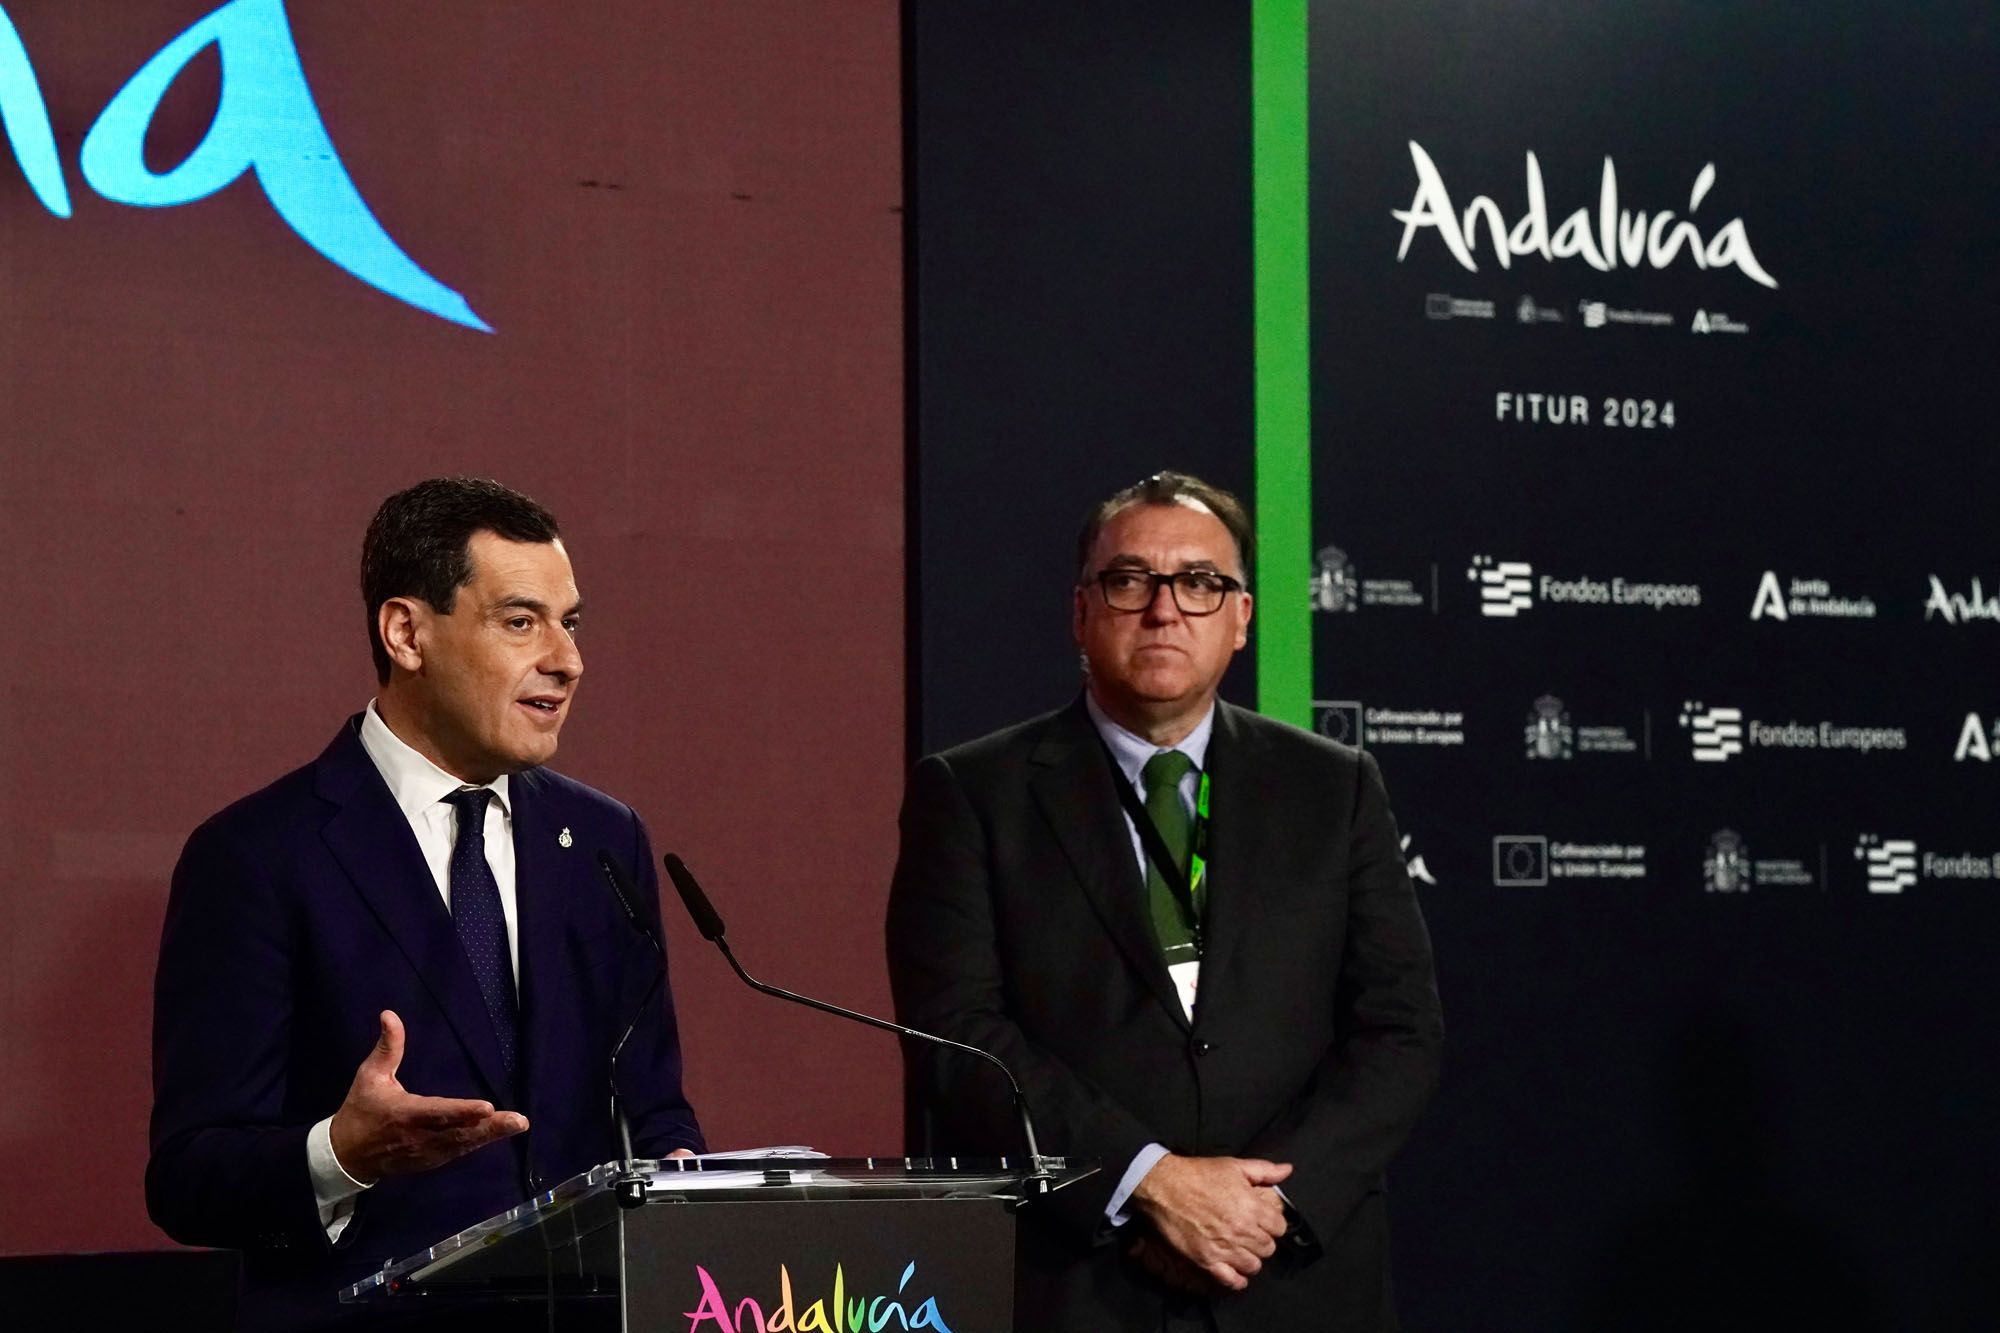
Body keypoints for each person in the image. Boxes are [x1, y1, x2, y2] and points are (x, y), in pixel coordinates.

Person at [886, 471, 1443, 1331]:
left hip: (1290, 1278)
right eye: (1129, 580)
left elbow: (1400, 1029)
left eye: (1199, 582)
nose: (1164, 608)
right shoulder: (971, 792)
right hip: (1079, 1281)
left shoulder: (1335, 788)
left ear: (1242, 618)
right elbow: (956, 1032)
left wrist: (1263, 1212)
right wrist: (1144, 1179)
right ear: (1080, 613)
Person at [148, 478, 703, 1329]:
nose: (567, 658)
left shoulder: (601, 839)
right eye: (521, 621)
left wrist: (689, 1176)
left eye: (571, 622)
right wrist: (341, 1154)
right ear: (406, 632)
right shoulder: (259, 854)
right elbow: (191, 1175)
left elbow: (653, 1109)